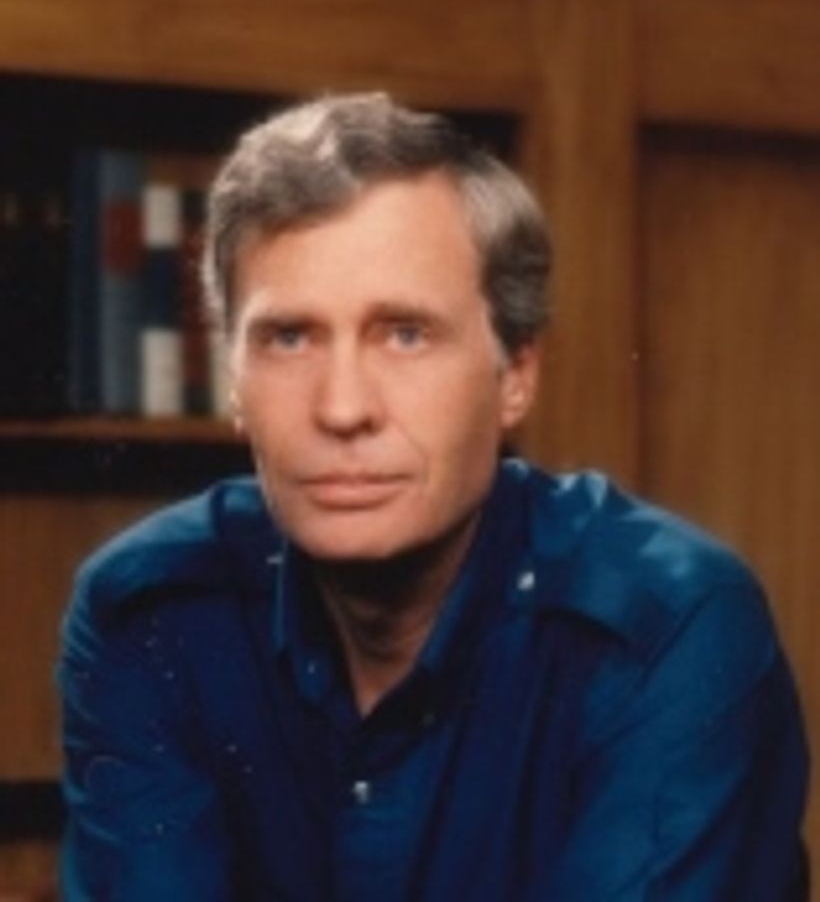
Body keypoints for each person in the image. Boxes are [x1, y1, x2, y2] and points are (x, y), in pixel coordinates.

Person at [58, 92, 808, 900]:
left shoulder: (672, 625)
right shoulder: (147, 615)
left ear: (515, 374)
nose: (343, 407)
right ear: (234, 382)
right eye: (289, 337)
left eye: (406, 335)